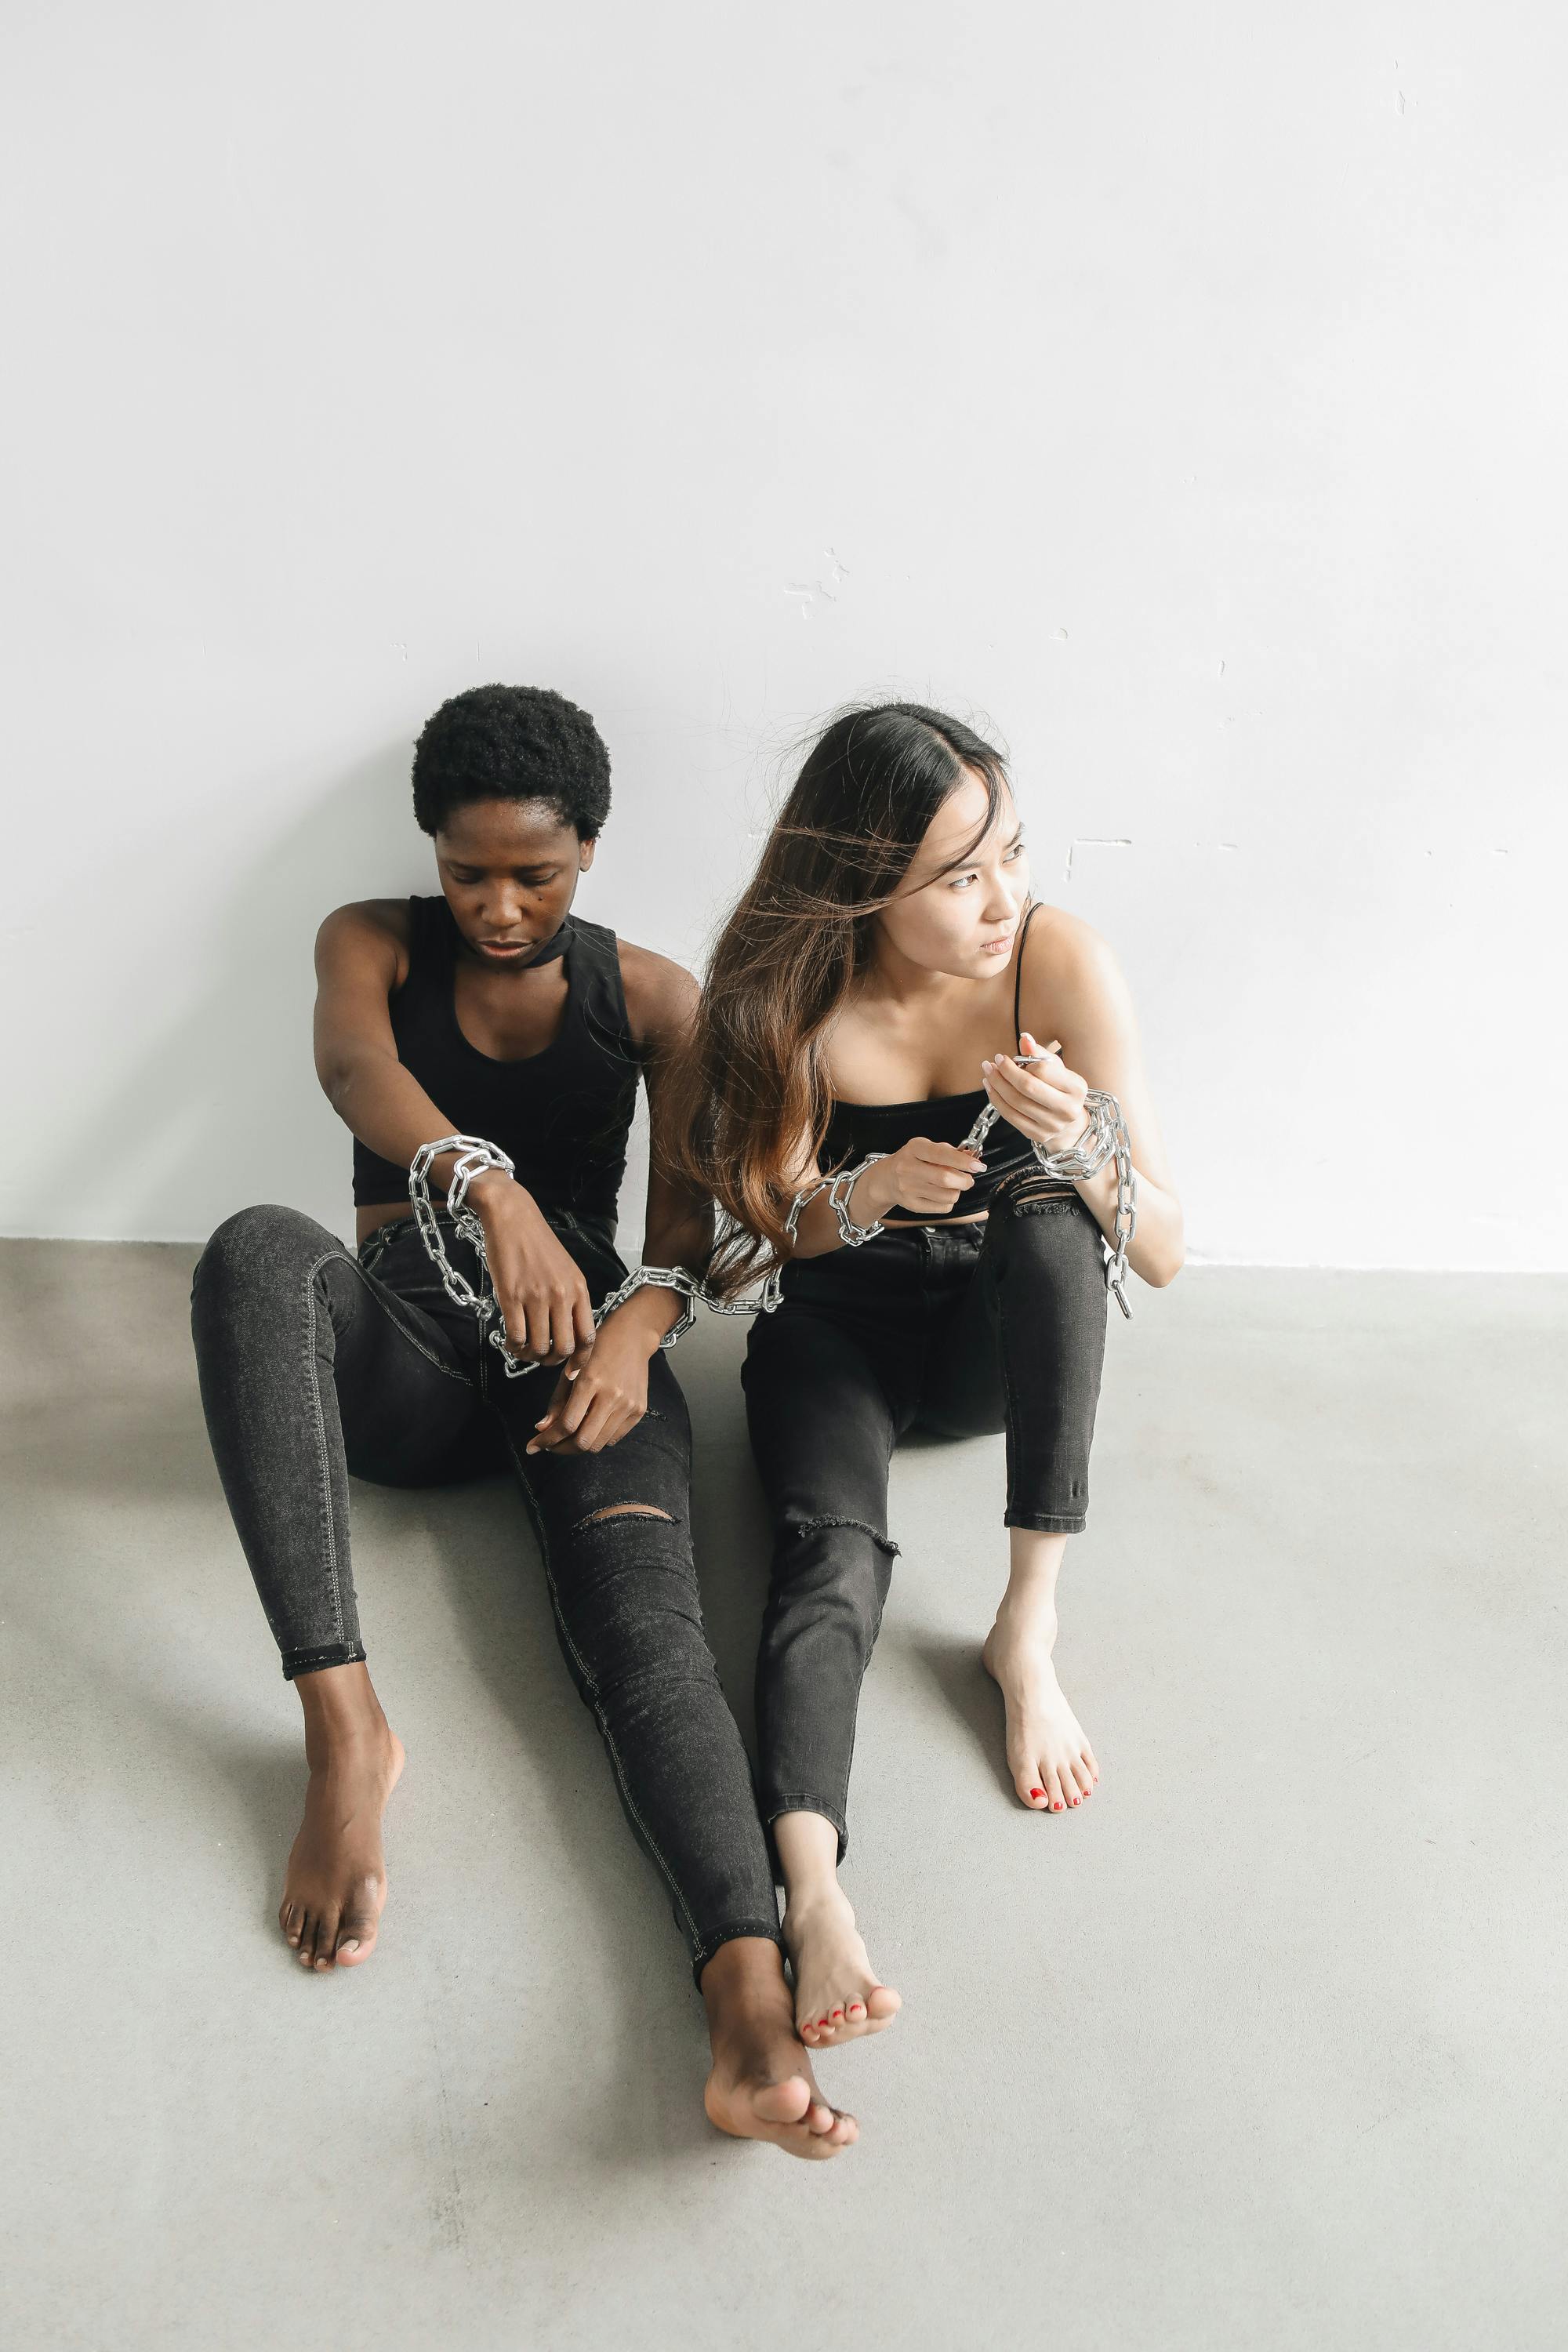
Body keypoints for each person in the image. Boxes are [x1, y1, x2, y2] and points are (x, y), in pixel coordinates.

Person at [189, 684, 856, 2160]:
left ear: (591, 855)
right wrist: (488, 1190)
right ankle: (345, 1727)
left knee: (649, 1643)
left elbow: (682, 1239)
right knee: (251, 1248)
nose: (497, 907)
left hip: (581, 1374)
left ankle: (746, 2007)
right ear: (431, 855)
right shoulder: (366, 942)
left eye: (533, 876)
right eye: (467, 871)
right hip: (410, 1357)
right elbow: (357, 1073)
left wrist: (633, 1333)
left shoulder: (659, 998)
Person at [667, 702, 1185, 2053]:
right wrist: (869, 1192)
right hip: (834, 1333)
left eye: (1010, 852)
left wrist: (1085, 1151)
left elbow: (1170, 1251)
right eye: (960, 879)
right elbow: (754, 1246)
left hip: (992, 1349)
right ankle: (816, 1884)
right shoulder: (780, 1000)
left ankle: (1027, 1626)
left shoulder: (1055, 961)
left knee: (1051, 1215)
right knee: (827, 1556)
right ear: (863, 886)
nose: (1001, 897)